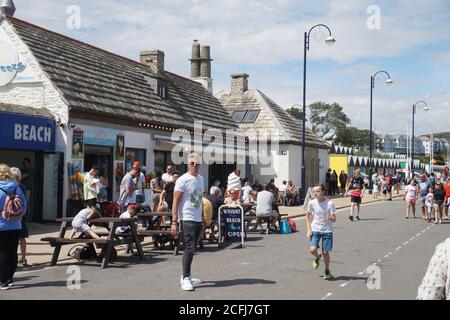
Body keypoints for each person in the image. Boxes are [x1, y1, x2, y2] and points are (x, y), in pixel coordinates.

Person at [171, 153, 205, 291]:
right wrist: (174, 221)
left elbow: (200, 198)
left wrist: (202, 216)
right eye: (192, 164)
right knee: (189, 248)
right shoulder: (182, 180)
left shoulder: (201, 179)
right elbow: (175, 201)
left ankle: (188, 275)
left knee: (193, 248)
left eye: (197, 164)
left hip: (197, 218)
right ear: (188, 164)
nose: (194, 166)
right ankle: (185, 278)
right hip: (186, 218)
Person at [0, 164, 27, 290]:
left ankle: (3, 281)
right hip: (16, 225)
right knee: (12, 252)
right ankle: (10, 278)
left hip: (1, 226)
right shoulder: (17, 188)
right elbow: (24, 207)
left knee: (2, 253)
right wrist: (17, 218)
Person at [306, 184, 336, 281]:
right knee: (312, 249)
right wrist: (309, 229)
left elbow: (334, 218)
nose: (316, 193)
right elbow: (307, 216)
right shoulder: (311, 203)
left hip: (327, 230)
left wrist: (331, 218)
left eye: (318, 191)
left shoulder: (330, 203)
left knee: (326, 252)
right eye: (314, 191)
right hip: (315, 229)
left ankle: (327, 271)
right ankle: (317, 256)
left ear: (323, 192)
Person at [9, 167, 29, 267]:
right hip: (21, 214)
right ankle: (23, 257)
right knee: (21, 238)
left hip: (12, 215)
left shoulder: (10, 186)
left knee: (12, 238)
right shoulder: (22, 186)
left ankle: (13, 258)